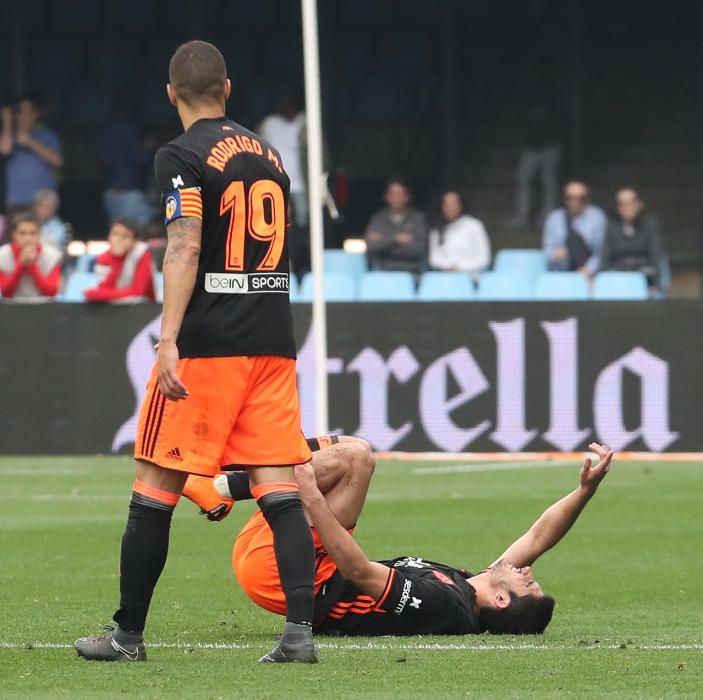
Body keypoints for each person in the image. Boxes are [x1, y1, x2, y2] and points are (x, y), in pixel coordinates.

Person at [75, 40, 317, 665]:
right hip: (272, 340)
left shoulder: (180, 155)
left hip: (211, 344)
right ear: (228, 89)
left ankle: (128, 636)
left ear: (170, 93)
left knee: (153, 485)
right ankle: (298, 636)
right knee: (277, 487)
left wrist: (168, 338)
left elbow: (183, 247)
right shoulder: (269, 156)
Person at [186, 440, 613, 637]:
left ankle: (237, 480)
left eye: (528, 583)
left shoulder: (447, 607)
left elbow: (358, 571)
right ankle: (224, 476)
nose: (527, 570)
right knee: (351, 451)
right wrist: (585, 491)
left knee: (355, 459)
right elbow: (538, 536)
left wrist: (312, 499)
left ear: (502, 601)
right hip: (296, 558)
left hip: (291, 575)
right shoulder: (465, 584)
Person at [0, 94, 63, 221]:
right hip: (16, 201)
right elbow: (4, 150)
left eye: (27, 111)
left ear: (35, 114)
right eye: (19, 112)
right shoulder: (8, 136)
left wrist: (30, 142)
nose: (23, 116)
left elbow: (58, 161)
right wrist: (7, 123)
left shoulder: (47, 135)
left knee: (45, 240)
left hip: (44, 203)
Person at [100, 90, 154, 227]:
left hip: (111, 189)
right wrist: (149, 147)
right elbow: (141, 157)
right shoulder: (130, 126)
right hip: (129, 189)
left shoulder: (106, 125)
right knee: (134, 233)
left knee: (119, 233)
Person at [258, 87, 307, 230]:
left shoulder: (305, 122)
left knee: (303, 223)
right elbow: (257, 151)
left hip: (300, 185)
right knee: (276, 223)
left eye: (288, 101)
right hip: (276, 183)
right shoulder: (269, 123)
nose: (285, 104)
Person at [542, 181, 607, 276]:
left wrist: (589, 269)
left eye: (581, 198)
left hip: (590, 274)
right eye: (569, 197)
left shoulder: (597, 217)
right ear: (564, 199)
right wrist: (555, 255)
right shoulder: (554, 218)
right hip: (561, 273)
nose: (574, 201)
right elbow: (547, 251)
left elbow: (602, 251)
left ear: (587, 199)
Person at [602, 188, 663, 288]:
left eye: (630, 203)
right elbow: (604, 256)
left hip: (645, 278)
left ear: (639, 204)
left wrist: (656, 283)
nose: (626, 207)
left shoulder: (649, 226)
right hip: (618, 278)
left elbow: (655, 255)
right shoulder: (612, 227)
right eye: (622, 204)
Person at [365, 178, 428, 275]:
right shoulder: (378, 219)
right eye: (393, 194)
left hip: (412, 274)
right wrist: (396, 238)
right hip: (383, 271)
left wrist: (384, 240)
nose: (396, 198)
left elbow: (419, 249)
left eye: (400, 194)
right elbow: (371, 246)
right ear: (386, 197)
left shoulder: (418, 219)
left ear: (407, 197)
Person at [84, 219, 155, 303]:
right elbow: (105, 288)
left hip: (144, 307)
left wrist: (96, 294)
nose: (119, 239)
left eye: (125, 236)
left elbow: (138, 292)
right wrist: (117, 259)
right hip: (113, 307)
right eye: (115, 234)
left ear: (135, 241)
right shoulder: (103, 257)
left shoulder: (142, 253)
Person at [429, 190, 491, 279]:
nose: (449, 207)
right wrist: (449, 267)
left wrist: (459, 267)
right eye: (446, 204)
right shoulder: (436, 229)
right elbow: (434, 259)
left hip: (471, 279)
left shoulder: (474, 226)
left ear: (461, 205)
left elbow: (484, 259)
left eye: (453, 203)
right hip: (445, 278)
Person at [0, 213, 61, 300]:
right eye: (22, 233)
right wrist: (20, 265)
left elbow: (51, 293)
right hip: (12, 309)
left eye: (32, 233)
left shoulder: (52, 256)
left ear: (39, 235)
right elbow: (5, 292)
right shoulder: (2, 255)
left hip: (43, 309)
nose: (28, 238)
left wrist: (32, 266)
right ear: (14, 235)